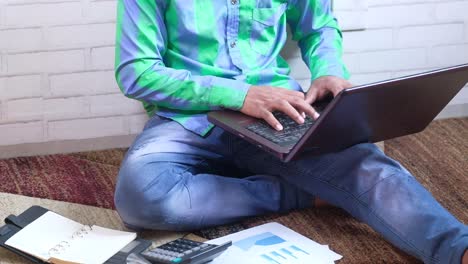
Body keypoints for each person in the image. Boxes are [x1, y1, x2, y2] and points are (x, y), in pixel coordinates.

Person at [113, 1, 468, 263]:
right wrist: (240, 95)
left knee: (369, 168)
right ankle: (304, 193)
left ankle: (457, 248)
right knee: (141, 195)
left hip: (281, 111)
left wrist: (328, 71)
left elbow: (318, 27)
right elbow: (137, 72)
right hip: (188, 118)